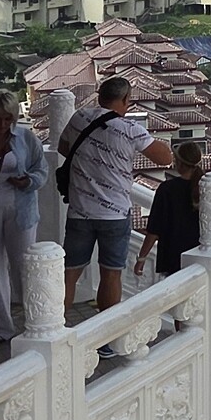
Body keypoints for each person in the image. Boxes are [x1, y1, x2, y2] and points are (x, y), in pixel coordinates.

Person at [59, 75, 171, 313]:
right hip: (115, 214)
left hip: (79, 211)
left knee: (69, 273)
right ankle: (107, 333)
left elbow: (63, 147)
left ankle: (57, 328)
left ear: (100, 96)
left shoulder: (79, 117)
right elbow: (165, 158)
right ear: (126, 99)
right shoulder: (130, 129)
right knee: (111, 275)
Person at [0, 90, 45, 344]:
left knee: (24, 265)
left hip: (21, 205)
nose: (2, 124)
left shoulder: (25, 138)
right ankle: (0, 327)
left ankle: (34, 322)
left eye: (8, 119)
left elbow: (41, 169)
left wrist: (28, 181)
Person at [137, 137, 204, 280]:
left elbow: (154, 229)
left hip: (173, 259)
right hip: (201, 257)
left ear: (179, 162)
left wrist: (141, 259)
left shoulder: (167, 189)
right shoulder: (208, 187)